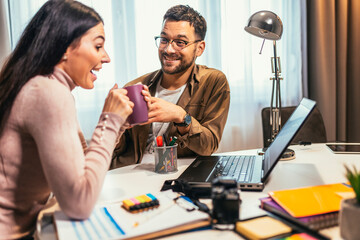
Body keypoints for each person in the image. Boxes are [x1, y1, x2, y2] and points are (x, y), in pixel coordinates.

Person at [0, 0, 150, 238]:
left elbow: (79, 169)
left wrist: (117, 126)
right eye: (98, 46)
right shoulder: (48, 93)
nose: (107, 57)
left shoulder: (43, 86)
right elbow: (79, 202)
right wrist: (108, 121)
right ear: (65, 48)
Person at [112, 5, 230, 168]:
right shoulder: (135, 87)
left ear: (199, 48)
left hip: (180, 174)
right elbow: (118, 151)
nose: (168, 49)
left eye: (180, 42)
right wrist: (112, 125)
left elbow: (208, 146)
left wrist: (182, 117)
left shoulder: (213, 82)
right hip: (133, 172)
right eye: (164, 40)